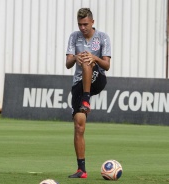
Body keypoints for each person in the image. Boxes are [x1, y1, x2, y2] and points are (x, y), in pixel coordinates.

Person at [65, 8, 111, 178]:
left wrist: (94, 57)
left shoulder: (103, 37)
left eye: (85, 24)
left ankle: (86, 100)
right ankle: (81, 170)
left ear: (92, 22)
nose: (82, 28)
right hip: (78, 82)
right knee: (79, 124)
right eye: (80, 24)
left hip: (97, 78)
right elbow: (67, 63)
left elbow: (106, 65)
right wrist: (75, 57)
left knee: (87, 59)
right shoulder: (73, 37)